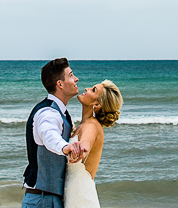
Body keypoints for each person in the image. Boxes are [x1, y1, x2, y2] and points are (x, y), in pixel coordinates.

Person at [23, 58, 86, 208]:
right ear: (60, 84)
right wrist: (65, 147)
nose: (76, 78)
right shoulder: (48, 113)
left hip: (46, 199)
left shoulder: (60, 112)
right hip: (43, 200)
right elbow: (49, 136)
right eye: (71, 75)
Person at [62, 80, 123, 208]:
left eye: (93, 90)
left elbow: (85, 146)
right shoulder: (85, 124)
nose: (86, 89)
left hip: (80, 198)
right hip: (76, 193)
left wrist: (79, 152)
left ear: (97, 104)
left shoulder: (91, 126)